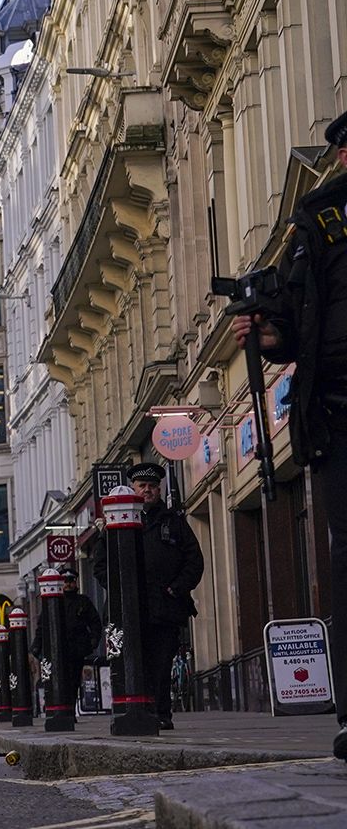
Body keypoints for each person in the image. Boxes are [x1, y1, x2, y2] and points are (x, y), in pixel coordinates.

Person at [234, 109, 347, 757]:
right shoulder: (318, 219)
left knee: (344, 553)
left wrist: (270, 334)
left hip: (334, 404)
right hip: (336, 405)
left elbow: (296, 323)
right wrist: (274, 334)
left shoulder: (317, 220)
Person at [95, 461, 202, 731]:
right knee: (134, 662)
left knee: (162, 663)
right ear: (133, 488)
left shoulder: (174, 522)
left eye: (153, 486)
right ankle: (133, 709)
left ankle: (162, 713)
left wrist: (177, 588)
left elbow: (194, 560)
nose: (148, 491)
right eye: (142, 486)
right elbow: (100, 565)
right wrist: (120, 590)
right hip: (130, 610)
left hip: (165, 607)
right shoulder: (114, 524)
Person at [33, 570, 102, 720]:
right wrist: (36, 646)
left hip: (76, 647)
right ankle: (58, 708)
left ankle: (69, 709)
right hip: (57, 647)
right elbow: (42, 625)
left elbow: (95, 622)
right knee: (58, 678)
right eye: (65, 581)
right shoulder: (54, 601)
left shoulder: (83, 601)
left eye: (71, 580)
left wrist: (94, 640)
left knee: (73, 680)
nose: (68, 584)